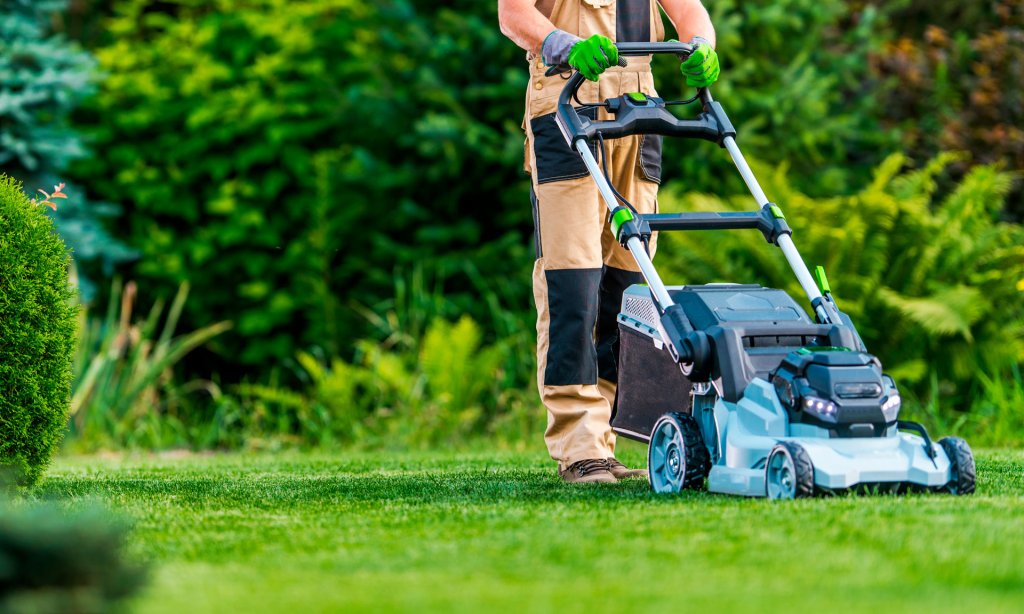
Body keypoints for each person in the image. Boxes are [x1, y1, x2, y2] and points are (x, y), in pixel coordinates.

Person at [497, 0, 720, 484]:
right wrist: (566, 46)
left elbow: (690, 12)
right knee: (572, 282)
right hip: (565, 102)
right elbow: (512, 15)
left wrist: (702, 45)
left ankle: (607, 439)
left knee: (628, 286)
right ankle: (579, 443)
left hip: (638, 111)